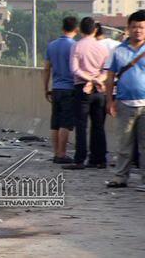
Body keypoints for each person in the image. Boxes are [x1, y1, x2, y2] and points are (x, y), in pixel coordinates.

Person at [106, 10, 145, 189]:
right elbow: (110, 77)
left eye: (141, 27)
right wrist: (109, 101)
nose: (138, 30)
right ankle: (120, 177)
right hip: (123, 103)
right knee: (124, 143)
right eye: (135, 27)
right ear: (128, 28)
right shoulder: (118, 50)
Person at [64, 17, 109, 170]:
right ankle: (99, 159)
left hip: (82, 89)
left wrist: (89, 80)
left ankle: (80, 159)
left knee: (81, 126)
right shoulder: (102, 48)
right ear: (95, 30)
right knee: (98, 126)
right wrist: (96, 80)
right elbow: (106, 71)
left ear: (80, 30)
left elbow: (74, 69)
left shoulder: (76, 47)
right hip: (99, 90)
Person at [43, 16, 78, 164]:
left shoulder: (51, 46)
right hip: (69, 89)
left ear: (62, 28)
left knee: (55, 123)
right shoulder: (75, 46)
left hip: (55, 89)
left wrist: (46, 88)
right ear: (76, 30)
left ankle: (56, 152)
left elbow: (46, 69)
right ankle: (62, 154)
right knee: (65, 123)